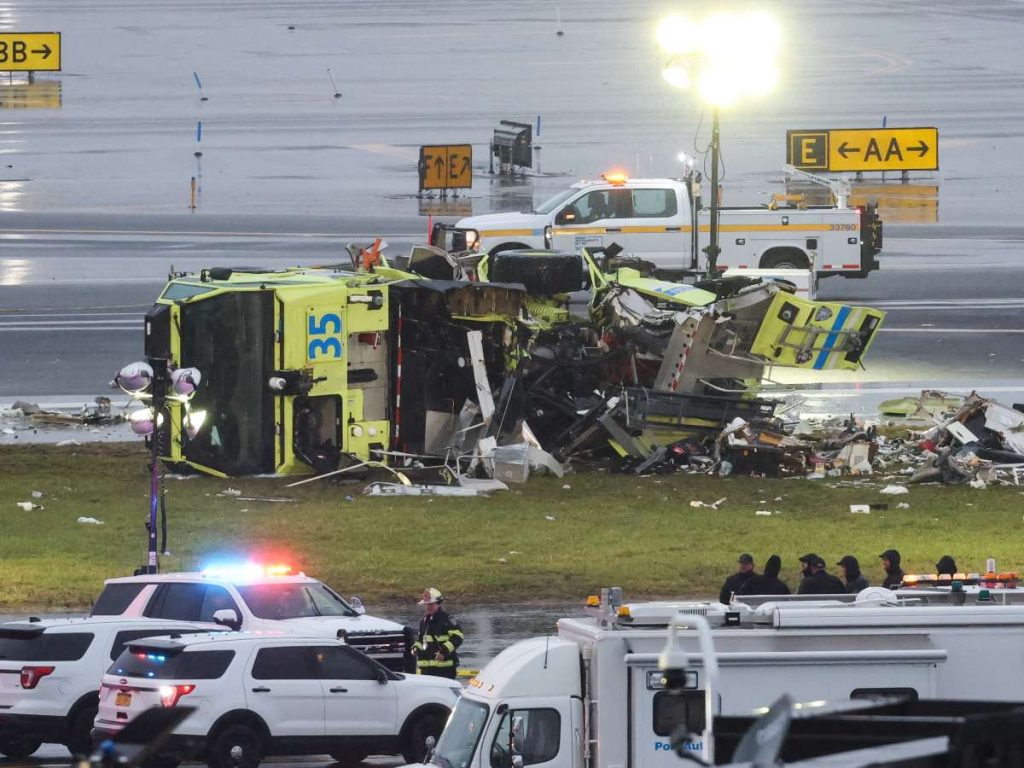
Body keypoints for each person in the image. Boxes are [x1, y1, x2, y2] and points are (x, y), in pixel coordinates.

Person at [414, 587, 464, 678]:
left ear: (438, 603)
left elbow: (458, 637)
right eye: (426, 604)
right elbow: (421, 640)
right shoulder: (424, 621)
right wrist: (416, 648)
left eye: (431, 604)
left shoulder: (446, 619)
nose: (428, 607)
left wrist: (443, 651)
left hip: (445, 670)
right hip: (426, 670)